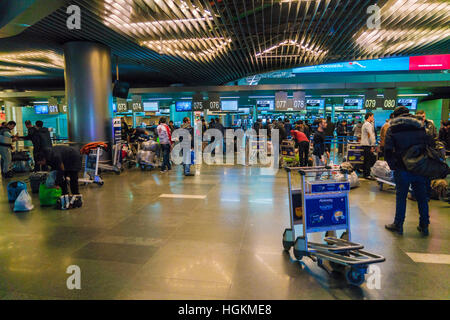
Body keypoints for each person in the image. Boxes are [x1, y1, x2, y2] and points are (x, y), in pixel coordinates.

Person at [384, 106, 435, 236]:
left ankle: (398, 225)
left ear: (396, 117)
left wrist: (393, 165)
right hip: (419, 167)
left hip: (402, 168)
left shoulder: (393, 129)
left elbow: (388, 150)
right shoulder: (420, 127)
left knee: (401, 197)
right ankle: (424, 225)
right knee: (422, 197)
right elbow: (429, 145)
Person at [360, 112, 376, 179]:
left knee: (366, 160)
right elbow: (371, 135)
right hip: (367, 145)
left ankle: (365, 173)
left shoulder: (365, 124)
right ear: (369, 117)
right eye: (372, 116)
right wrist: (373, 144)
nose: (373, 118)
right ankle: (367, 174)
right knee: (368, 160)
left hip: (365, 144)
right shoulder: (368, 124)